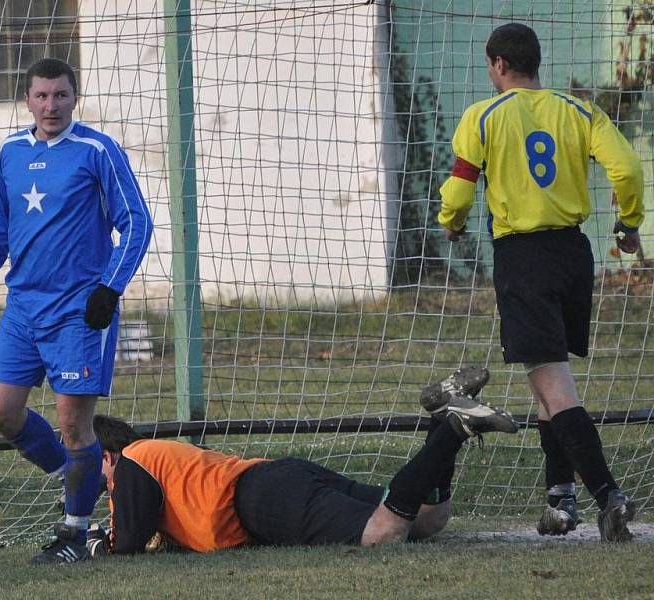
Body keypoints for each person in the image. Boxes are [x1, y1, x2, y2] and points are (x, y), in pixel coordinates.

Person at [437, 23, 644, 541]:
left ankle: (608, 496)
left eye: (490, 66)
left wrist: (451, 222)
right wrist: (630, 223)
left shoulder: (482, 117)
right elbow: (627, 169)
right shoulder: (577, 110)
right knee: (546, 383)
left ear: (500, 65)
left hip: (523, 257)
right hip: (574, 255)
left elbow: (459, 193)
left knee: (555, 386)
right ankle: (560, 500)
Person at [0, 57, 153, 563]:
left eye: (60, 95)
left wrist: (109, 288)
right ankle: (79, 476)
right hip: (23, 307)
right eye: (41, 96)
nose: (51, 105)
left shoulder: (97, 150)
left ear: (74, 97)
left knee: (74, 427)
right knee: (0, 411)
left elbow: (137, 222)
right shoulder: (12, 152)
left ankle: (75, 533)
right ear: (27, 99)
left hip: (78, 310)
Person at [86, 369, 518, 555]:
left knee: (382, 535)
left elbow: (126, 545)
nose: (104, 486)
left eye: (97, 472)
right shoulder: (150, 459)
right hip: (275, 482)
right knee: (424, 521)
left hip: (261, 498)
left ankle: (455, 428)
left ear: (105, 455)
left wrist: (92, 545)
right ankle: (443, 418)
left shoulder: (133, 459)